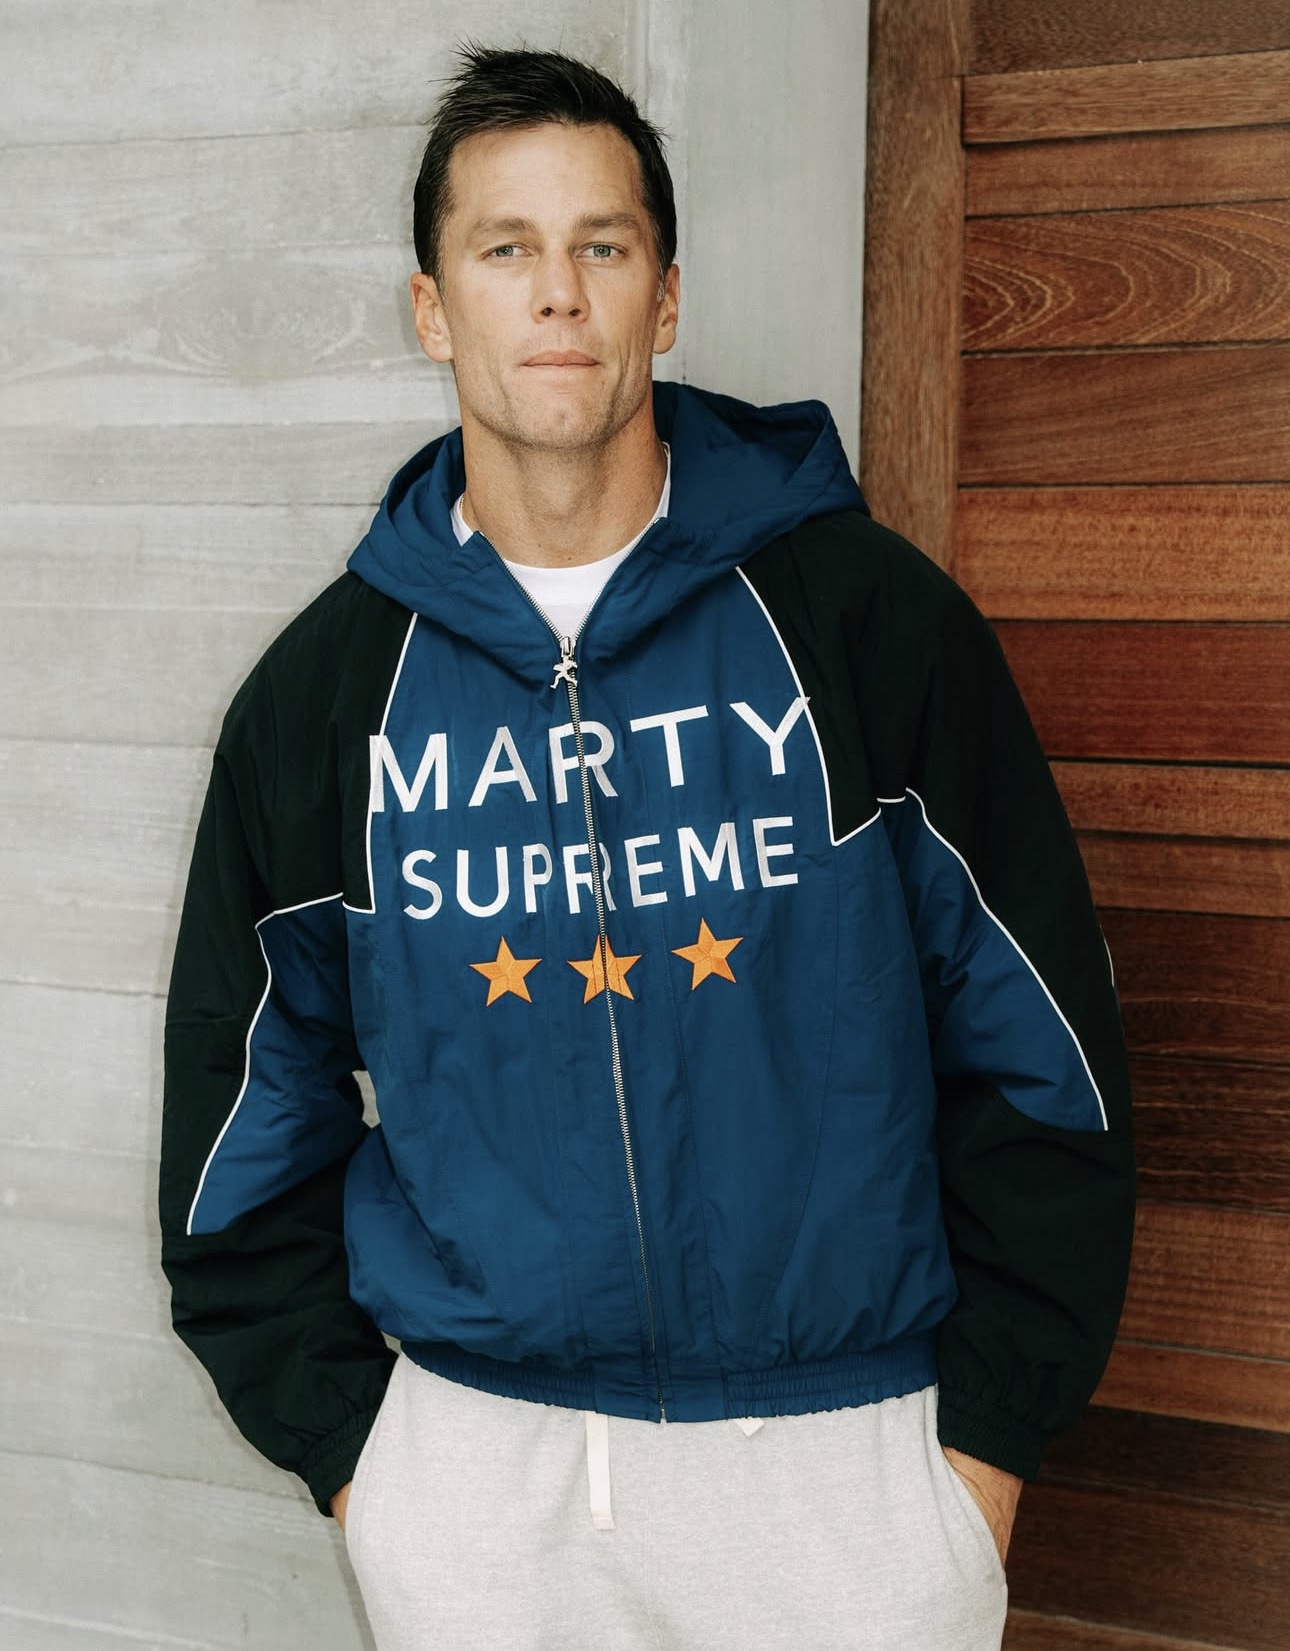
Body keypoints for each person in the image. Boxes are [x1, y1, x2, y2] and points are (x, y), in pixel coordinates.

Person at [159, 43, 1135, 1651]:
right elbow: (238, 1124)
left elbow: (1045, 1048)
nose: (557, 292)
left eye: (600, 245)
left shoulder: (865, 625)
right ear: (432, 311)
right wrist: (364, 1467)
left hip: (842, 1477)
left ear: (663, 299)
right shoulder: (323, 701)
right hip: (480, 1490)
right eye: (506, 249)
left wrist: (978, 1454)